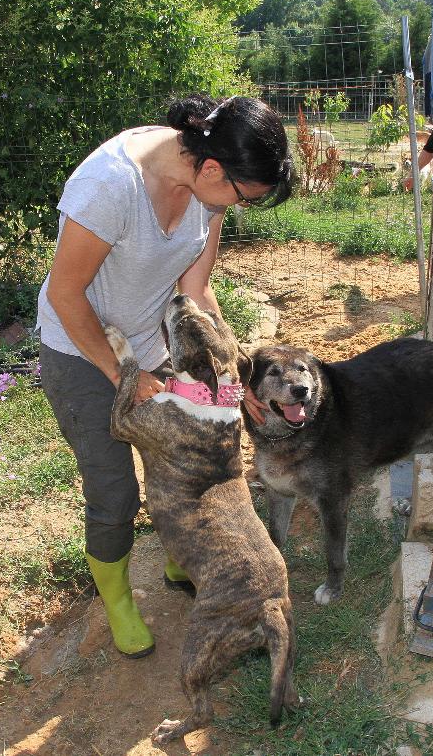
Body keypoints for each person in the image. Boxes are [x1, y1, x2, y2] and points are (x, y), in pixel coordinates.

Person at [35, 94, 293, 658]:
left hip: (149, 343)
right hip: (80, 349)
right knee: (115, 488)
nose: (238, 208)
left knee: (185, 465)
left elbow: (195, 291)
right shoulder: (109, 186)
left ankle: (183, 555)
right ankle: (120, 604)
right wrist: (123, 375)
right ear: (211, 168)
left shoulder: (210, 189)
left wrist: (235, 369)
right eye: (241, 197)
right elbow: (65, 292)